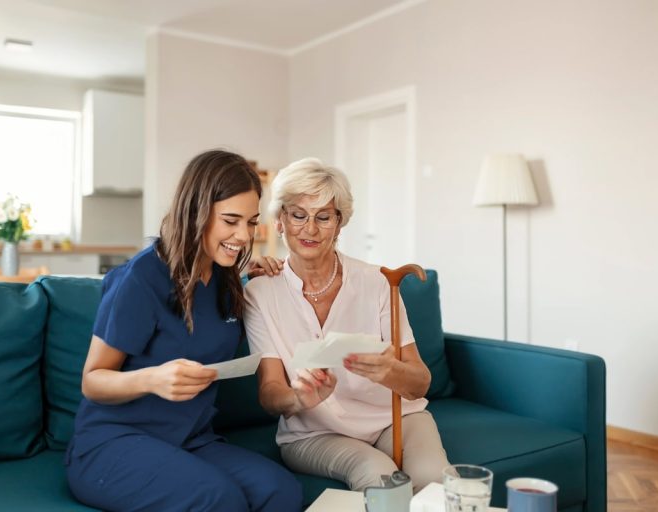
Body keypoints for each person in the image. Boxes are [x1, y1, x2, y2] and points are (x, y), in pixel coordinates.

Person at [65, 150, 302, 512]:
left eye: (251, 222)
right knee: (218, 499)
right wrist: (152, 379)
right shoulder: (142, 278)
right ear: (196, 212)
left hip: (189, 441)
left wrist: (253, 278)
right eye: (230, 221)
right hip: (113, 444)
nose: (243, 235)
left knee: (281, 492)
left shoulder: (227, 281)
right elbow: (93, 381)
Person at [244, 157, 450, 493]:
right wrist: (299, 398)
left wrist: (389, 371)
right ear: (280, 220)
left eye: (323, 217)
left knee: (435, 482)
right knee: (381, 480)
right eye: (298, 215)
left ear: (340, 224)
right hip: (313, 433)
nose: (310, 229)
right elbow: (270, 394)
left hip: (396, 419)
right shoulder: (260, 292)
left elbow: (419, 384)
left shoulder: (379, 282)